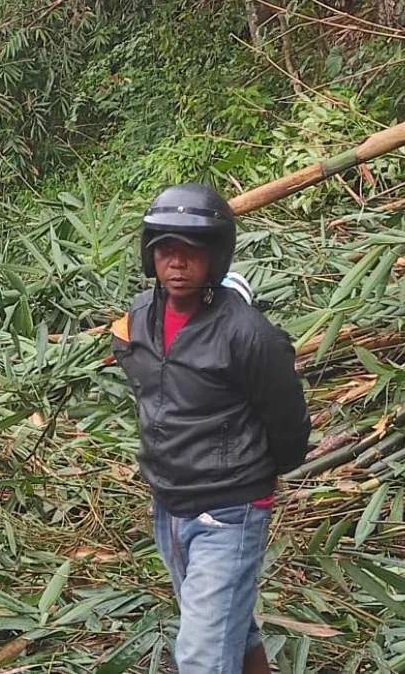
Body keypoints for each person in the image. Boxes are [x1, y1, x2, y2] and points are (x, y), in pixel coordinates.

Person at [109, 184, 310, 674]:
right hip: (169, 503)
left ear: (216, 258)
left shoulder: (248, 334)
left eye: (191, 252)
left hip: (229, 508)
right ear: (150, 255)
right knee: (229, 627)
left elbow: (288, 422)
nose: (177, 264)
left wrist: (256, 478)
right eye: (166, 251)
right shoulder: (137, 321)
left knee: (201, 656)